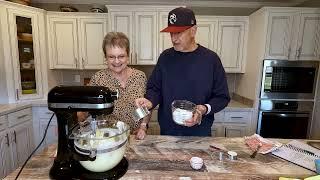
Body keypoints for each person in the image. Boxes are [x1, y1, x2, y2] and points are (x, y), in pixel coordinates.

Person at [135, 7, 230, 136]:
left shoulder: (211, 59)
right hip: (168, 132)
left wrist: (204, 109)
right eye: (171, 33)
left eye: (179, 33)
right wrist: (150, 101)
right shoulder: (165, 57)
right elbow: (155, 89)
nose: (174, 39)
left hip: (200, 132)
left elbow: (222, 97)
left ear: (193, 31)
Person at [77, 32, 150, 140]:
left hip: (135, 137)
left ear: (128, 56)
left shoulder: (140, 77)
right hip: (107, 138)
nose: (116, 61)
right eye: (111, 57)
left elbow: (146, 107)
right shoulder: (98, 79)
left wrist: (143, 127)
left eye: (121, 56)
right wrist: (82, 111)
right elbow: (83, 114)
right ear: (105, 57)